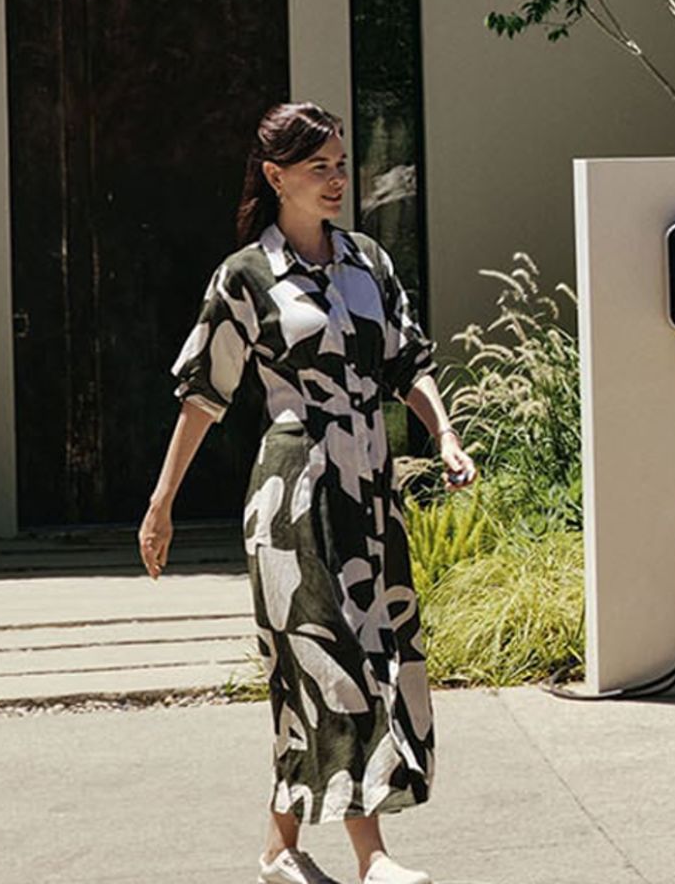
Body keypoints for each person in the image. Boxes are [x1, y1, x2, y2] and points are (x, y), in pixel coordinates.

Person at [139, 102, 478, 884]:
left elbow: (407, 361)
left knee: (347, 663)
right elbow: (202, 399)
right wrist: (161, 506)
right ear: (276, 176)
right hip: (295, 492)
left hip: (369, 487)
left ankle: (278, 849)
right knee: (335, 667)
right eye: (318, 166)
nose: (336, 179)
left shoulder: (367, 263)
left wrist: (445, 433)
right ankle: (373, 860)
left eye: (339, 163)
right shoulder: (245, 278)